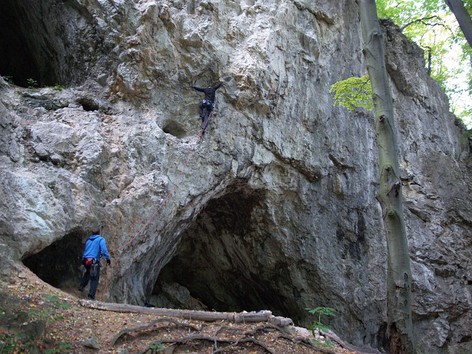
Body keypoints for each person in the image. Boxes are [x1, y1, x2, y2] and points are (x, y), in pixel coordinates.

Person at [78, 229, 111, 300]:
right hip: (94, 261)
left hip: (85, 260)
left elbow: (88, 250)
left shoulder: (88, 240)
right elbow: (104, 250)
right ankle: (91, 296)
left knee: (88, 273)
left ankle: (81, 286)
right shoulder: (100, 239)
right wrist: (108, 259)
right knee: (94, 278)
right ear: (100, 232)